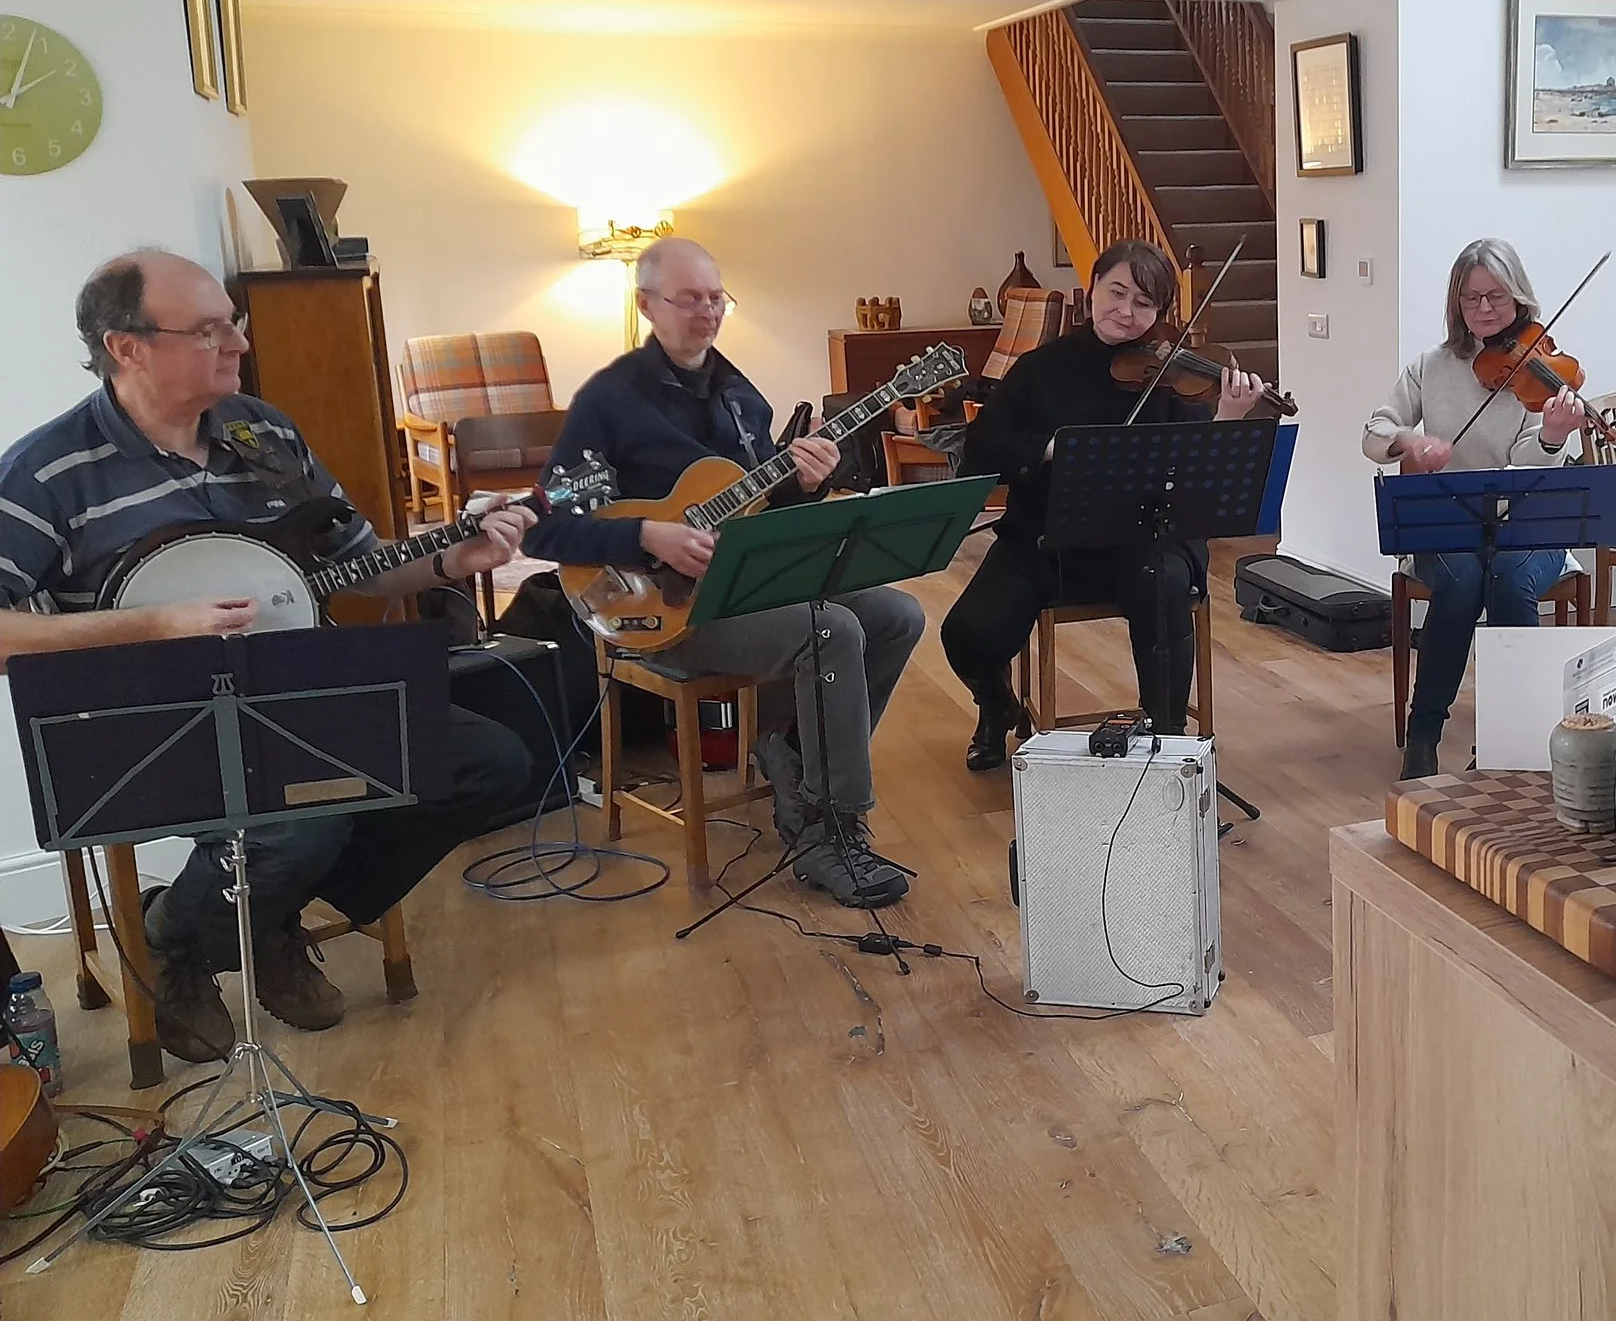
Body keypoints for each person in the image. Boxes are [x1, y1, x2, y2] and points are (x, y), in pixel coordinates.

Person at [0, 250, 537, 1064]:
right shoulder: (48, 472)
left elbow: (360, 558)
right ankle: (190, 939)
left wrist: (448, 561)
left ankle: (245, 917)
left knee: (492, 762)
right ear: (127, 346)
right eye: (210, 329)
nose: (237, 344)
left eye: (233, 325)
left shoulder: (265, 432)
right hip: (156, 721)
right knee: (306, 818)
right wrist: (151, 626)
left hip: (299, 691)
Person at [526, 237, 924, 906]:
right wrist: (646, 533)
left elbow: (757, 497)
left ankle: (793, 761)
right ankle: (832, 831)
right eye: (690, 299)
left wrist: (804, 480)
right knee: (830, 632)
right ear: (647, 303)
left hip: (743, 577)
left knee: (896, 615)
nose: (707, 312)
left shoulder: (739, 395)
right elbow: (545, 526)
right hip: (661, 604)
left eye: (716, 298)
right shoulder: (609, 401)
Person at [943, 239, 1268, 771]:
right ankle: (996, 706)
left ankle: (1167, 742)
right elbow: (979, 451)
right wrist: (1050, 448)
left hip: (1143, 539)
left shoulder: (1172, 378)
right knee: (968, 632)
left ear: (1160, 313)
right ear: (1091, 288)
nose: (1125, 311)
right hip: (1043, 542)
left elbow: (1197, 469)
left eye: (1144, 304)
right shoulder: (1040, 368)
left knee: (1162, 586)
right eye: (1116, 293)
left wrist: (1229, 416)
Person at [1364, 238, 1588, 780]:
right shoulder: (1430, 367)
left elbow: (1529, 468)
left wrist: (1554, 438)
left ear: (1520, 299)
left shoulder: (1543, 372)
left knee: (1511, 581)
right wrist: (1408, 445)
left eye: (1496, 296)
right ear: (1455, 305)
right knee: (1461, 582)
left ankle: (1511, 736)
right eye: (1471, 299)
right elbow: (1374, 433)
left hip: (1526, 525)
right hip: (1449, 525)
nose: (1485, 309)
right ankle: (1423, 738)